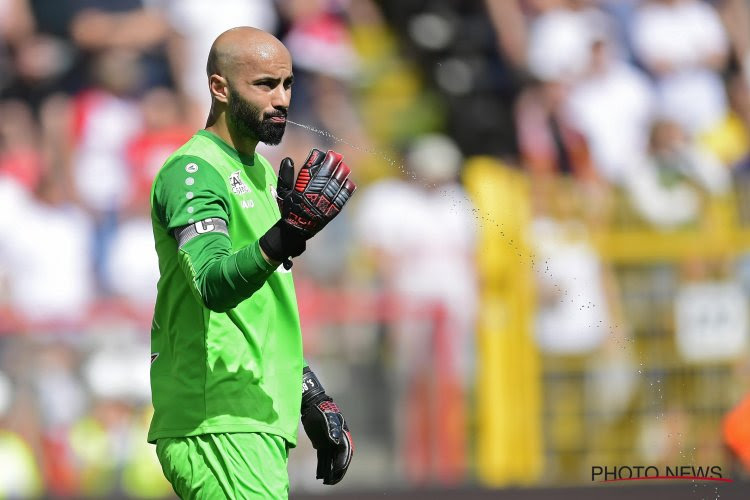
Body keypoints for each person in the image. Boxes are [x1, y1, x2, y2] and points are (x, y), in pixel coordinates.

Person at [147, 26, 356, 499]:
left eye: (287, 84)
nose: (281, 98)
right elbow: (213, 284)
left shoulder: (261, 172)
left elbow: (259, 308)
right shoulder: (193, 170)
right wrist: (288, 234)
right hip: (217, 417)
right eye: (264, 84)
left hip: (252, 415)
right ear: (219, 88)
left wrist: (307, 393)